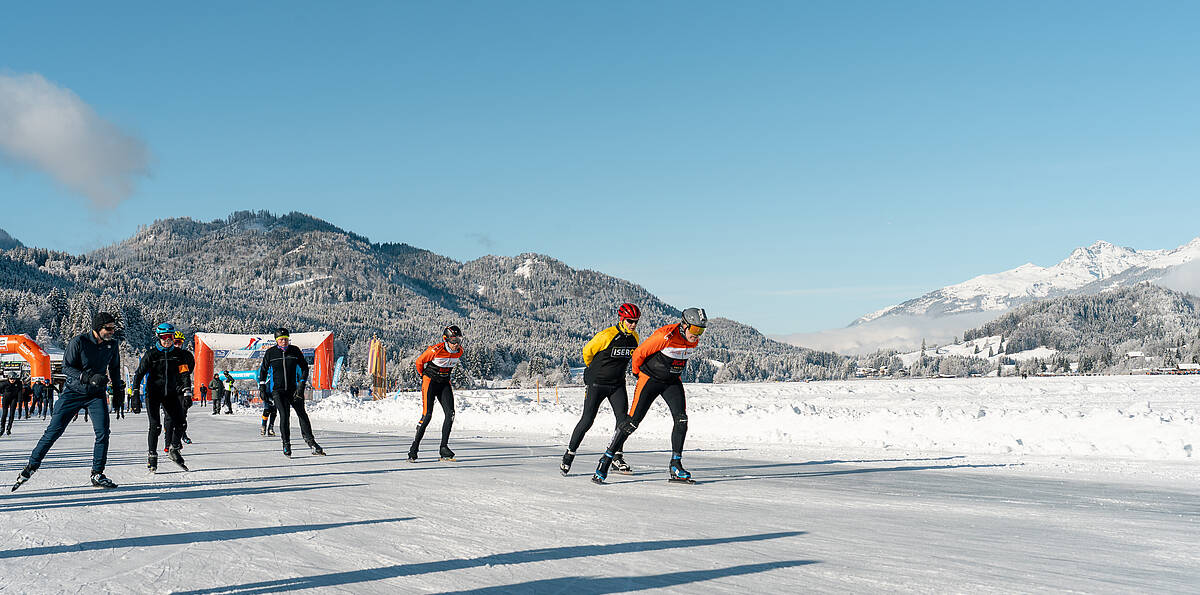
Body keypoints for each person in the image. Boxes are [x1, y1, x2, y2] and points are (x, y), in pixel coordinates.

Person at [593, 307, 707, 485]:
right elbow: (639, 353)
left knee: (681, 419)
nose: (697, 334)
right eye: (694, 329)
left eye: (701, 330)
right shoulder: (665, 336)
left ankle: (676, 464)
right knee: (632, 422)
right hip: (650, 379)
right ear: (684, 325)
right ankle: (606, 459)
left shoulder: (693, 340)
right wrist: (637, 373)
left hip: (671, 381)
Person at [13, 312, 124, 490]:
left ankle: (97, 473)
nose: (112, 331)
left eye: (113, 328)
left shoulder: (112, 344)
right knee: (54, 431)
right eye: (108, 328)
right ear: (97, 328)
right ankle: (31, 466)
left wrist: (118, 391)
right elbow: (67, 368)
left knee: (103, 433)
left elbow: (115, 368)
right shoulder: (78, 342)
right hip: (73, 392)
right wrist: (88, 377)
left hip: (96, 395)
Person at [560, 303, 641, 476]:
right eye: (630, 321)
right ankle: (569, 454)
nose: (633, 324)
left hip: (617, 384)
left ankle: (617, 458)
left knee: (623, 421)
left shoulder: (635, 337)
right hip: (597, 383)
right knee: (587, 420)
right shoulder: (607, 335)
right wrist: (594, 371)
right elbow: (587, 352)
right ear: (622, 319)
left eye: (636, 321)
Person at [131, 323, 193, 472]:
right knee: (156, 426)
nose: (167, 340)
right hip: (153, 394)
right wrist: (135, 394)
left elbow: (185, 374)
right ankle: (152, 455)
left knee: (181, 423)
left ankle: (174, 448)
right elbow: (138, 374)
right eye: (164, 337)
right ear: (158, 337)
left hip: (170, 394)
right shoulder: (151, 354)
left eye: (170, 337)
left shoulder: (178, 355)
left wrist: (187, 392)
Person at [257, 328, 324, 457]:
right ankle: (286, 444)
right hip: (278, 390)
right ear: (277, 341)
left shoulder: (295, 350)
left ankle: (312, 443)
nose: (284, 341)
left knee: (302, 414)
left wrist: (301, 384)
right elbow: (263, 371)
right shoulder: (271, 353)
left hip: (294, 390)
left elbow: (304, 368)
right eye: (281, 339)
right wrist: (262, 387)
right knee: (284, 415)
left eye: (286, 339)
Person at [408, 325, 464, 462]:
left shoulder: (459, 352)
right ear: (446, 339)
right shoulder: (435, 350)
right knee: (427, 415)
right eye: (454, 341)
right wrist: (423, 375)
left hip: (444, 383)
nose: (456, 344)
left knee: (450, 413)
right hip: (430, 382)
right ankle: (414, 449)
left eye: (459, 340)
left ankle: (444, 448)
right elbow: (419, 362)